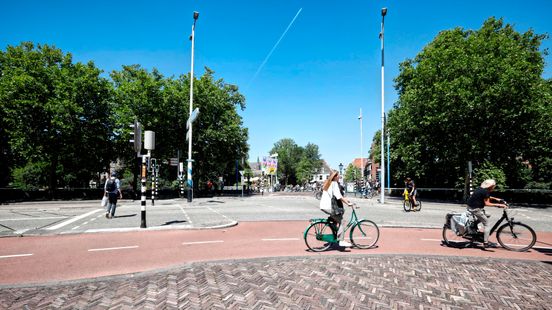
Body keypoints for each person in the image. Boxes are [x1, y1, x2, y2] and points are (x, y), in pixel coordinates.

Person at [466, 179, 508, 248]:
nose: (494, 187)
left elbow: (486, 197)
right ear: (490, 186)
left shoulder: (481, 189)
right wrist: (499, 205)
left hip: (471, 206)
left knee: (488, 215)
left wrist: (497, 199)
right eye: (494, 186)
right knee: (487, 224)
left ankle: (474, 224)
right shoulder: (486, 191)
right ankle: (485, 242)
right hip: (475, 209)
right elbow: (487, 203)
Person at [319, 171, 354, 247]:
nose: (339, 177)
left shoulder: (328, 183)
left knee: (335, 220)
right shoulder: (334, 184)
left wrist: (347, 200)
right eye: (338, 176)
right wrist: (348, 203)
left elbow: (337, 196)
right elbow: (338, 196)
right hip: (329, 207)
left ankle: (335, 234)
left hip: (324, 206)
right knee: (343, 221)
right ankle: (341, 240)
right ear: (335, 177)